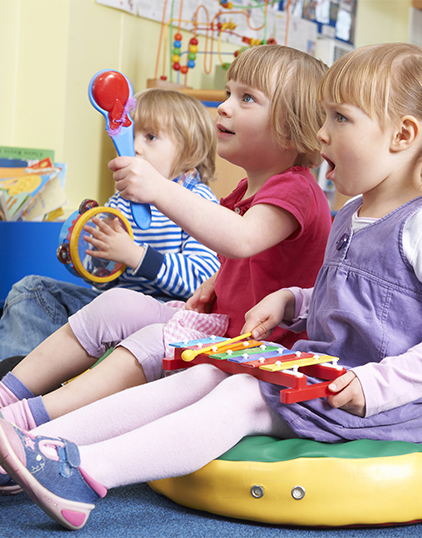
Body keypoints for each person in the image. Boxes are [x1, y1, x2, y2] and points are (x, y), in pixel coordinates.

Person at [0, 42, 422, 531]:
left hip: (384, 402)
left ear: (402, 135)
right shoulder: (352, 215)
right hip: (328, 373)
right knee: (207, 376)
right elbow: (363, 297)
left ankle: (84, 474)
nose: (320, 134)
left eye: (340, 118)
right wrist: (294, 300)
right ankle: (37, 446)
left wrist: (375, 385)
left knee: (241, 398)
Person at [0, 45, 331, 438]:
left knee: (154, 339)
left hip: (263, 350)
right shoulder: (245, 190)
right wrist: (215, 284)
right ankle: (7, 395)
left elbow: (241, 239)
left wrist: (158, 189)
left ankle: (29, 424)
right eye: (228, 93)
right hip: (223, 328)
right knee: (117, 303)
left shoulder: (297, 188)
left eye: (246, 98)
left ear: (293, 126)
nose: (224, 107)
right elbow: (247, 258)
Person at [0, 88, 221, 363]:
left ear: (191, 151)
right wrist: (96, 256)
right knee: (30, 290)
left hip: (166, 316)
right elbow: (102, 280)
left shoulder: (199, 202)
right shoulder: (121, 200)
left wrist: (135, 256)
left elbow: (202, 281)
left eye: (150, 137)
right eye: (131, 135)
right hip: (110, 309)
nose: (135, 146)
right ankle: (20, 377)